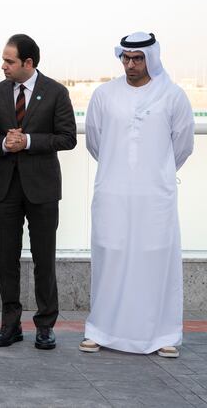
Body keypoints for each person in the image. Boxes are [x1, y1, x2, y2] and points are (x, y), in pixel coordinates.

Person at [81, 32, 194, 358]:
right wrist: (120, 169)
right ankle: (100, 330)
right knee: (110, 255)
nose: (131, 65)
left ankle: (164, 335)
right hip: (113, 192)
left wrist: (153, 172)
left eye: (138, 58)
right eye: (126, 58)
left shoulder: (172, 96)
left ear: (152, 58)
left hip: (155, 195)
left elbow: (183, 144)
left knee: (156, 259)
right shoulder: (104, 95)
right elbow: (95, 141)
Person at [0, 34, 76, 350]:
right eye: (3, 60)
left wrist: (29, 141)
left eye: (9, 61)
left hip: (43, 189)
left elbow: (68, 138)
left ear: (28, 63)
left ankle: (45, 326)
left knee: (44, 259)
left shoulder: (56, 92)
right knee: (7, 259)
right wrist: (4, 143)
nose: (3, 66)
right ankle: (10, 325)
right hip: (4, 189)